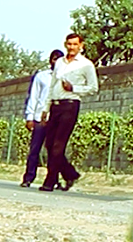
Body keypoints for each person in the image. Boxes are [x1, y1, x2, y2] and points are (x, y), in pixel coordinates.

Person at [39, 33, 98, 192]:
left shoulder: (86, 65)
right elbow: (52, 86)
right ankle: (69, 173)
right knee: (49, 144)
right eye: (69, 44)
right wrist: (46, 108)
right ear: (66, 45)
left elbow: (93, 87)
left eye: (75, 44)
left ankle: (50, 181)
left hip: (70, 105)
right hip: (56, 105)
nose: (72, 47)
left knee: (59, 144)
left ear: (81, 46)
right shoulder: (59, 62)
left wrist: (74, 88)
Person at [19, 49, 65, 187]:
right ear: (50, 60)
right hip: (40, 118)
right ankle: (28, 178)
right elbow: (33, 97)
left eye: (59, 59)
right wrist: (29, 117)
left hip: (57, 119)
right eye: (53, 58)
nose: (56, 61)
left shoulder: (66, 77)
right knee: (35, 149)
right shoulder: (41, 77)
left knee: (55, 151)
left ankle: (53, 180)